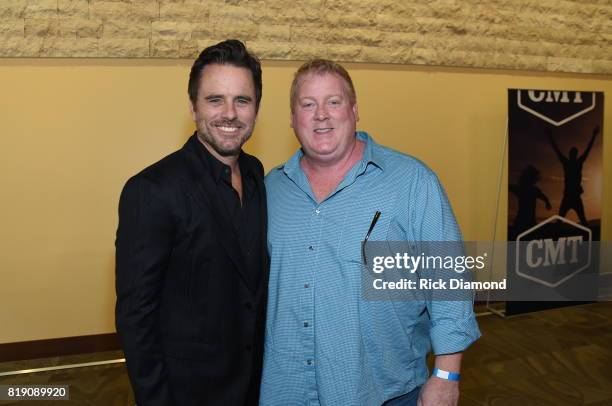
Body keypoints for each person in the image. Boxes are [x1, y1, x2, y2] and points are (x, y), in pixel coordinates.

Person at [260, 60, 480, 406]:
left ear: (354, 110)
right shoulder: (271, 189)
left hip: (385, 392)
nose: (321, 115)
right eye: (308, 104)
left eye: (333, 101)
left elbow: (449, 280)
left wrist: (446, 376)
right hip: (288, 390)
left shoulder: (411, 182)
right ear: (292, 118)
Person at [115, 39, 269, 406]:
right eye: (215, 99)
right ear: (193, 107)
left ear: (256, 108)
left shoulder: (256, 174)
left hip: (254, 388)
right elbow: (136, 317)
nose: (229, 113)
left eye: (242, 100)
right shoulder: (151, 190)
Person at [547, 126, 599, 226]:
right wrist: (550, 136)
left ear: (573, 155)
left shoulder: (573, 163)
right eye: (573, 153)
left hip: (573, 196)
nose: (573, 155)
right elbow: (556, 150)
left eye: (573, 153)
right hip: (569, 196)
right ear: (572, 154)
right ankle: (556, 238)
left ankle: (586, 238)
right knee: (563, 220)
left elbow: (588, 150)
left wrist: (594, 135)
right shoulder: (570, 163)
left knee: (581, 220)